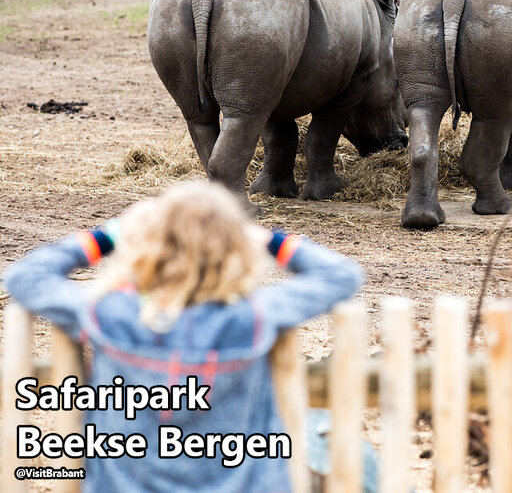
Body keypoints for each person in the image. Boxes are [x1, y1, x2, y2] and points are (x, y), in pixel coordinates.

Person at [4, 181, 366, 493]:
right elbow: (342, 275)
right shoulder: (252, 316)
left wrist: (111, 233)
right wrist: (267, 238)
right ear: (235, 249)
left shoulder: (112, 315)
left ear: (150, 244)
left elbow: (25, 277)